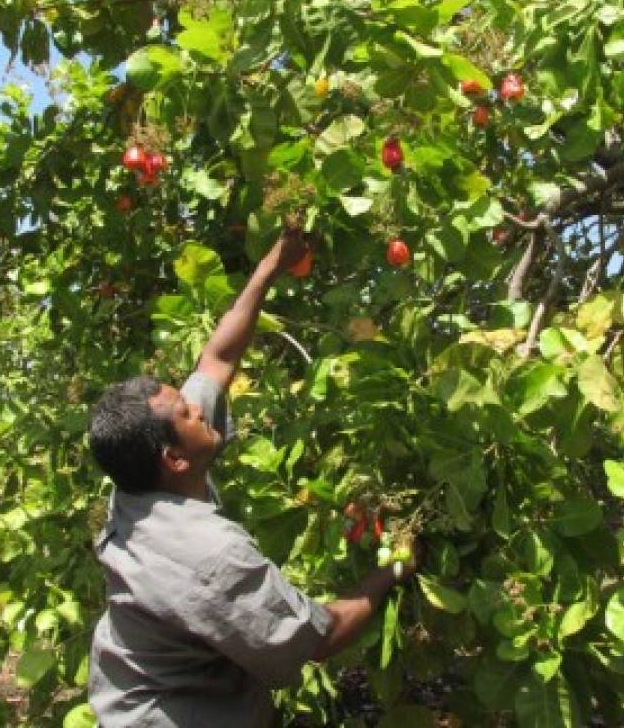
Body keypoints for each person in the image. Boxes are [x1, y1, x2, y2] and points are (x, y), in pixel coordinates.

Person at [86, 227, 415, 728]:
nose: (198, 406)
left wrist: (269, 267)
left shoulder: (138, 486)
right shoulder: (209, 556)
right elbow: (317, 640)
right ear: (174, 458)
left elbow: (216, 361)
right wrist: (393, 570)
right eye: (188, 415)